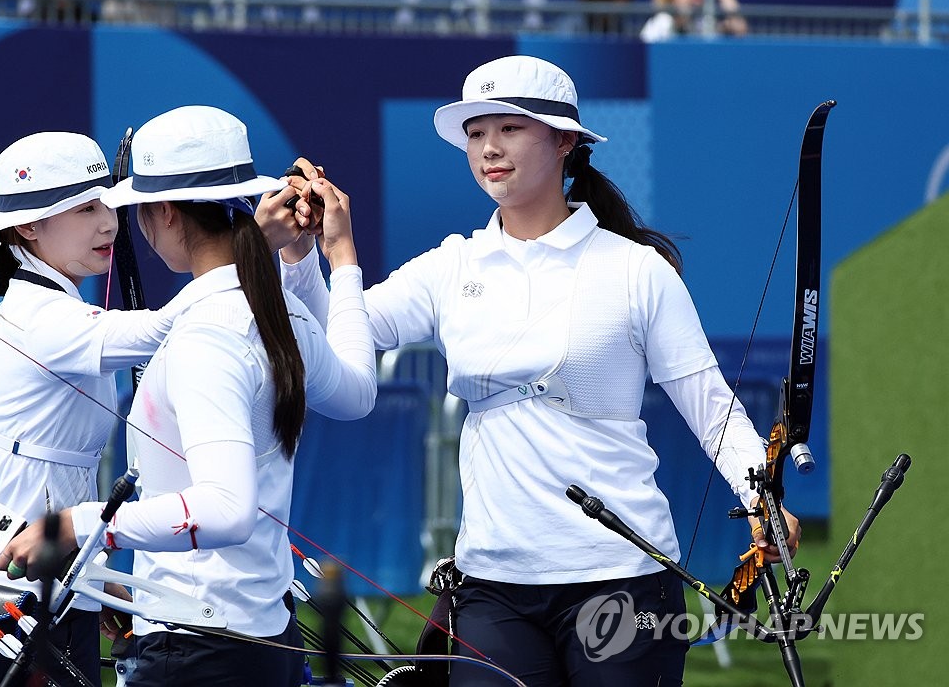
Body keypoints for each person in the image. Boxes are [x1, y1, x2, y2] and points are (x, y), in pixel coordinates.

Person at [274, 55, 800, 685]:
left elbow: (710, 405)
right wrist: (304, 255)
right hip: (492, 583)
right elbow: (336, 337)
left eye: (509, 129)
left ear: (564, 140)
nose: (488, 148)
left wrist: (761, 496)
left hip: (623, 573)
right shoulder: (452, 266)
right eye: (475, 133)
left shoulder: (635, 269)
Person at [0, 106, 377, 686]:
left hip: (199, 648)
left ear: (164, 212)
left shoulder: (212, 332)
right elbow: (358, 393)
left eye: (135, 211)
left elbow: (226, 508)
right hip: (262, 635)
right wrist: (336, 259)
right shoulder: (278, 309)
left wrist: (79, 525)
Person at [0, 131, 183, 686]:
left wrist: (96, 577)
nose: (109, 222)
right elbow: (166, 329)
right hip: (20, 589)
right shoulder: (41, 318)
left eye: (107, 201)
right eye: (84, 209)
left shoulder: (47, 305)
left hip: (51, 577)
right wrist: (240, 263)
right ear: (28, 227)